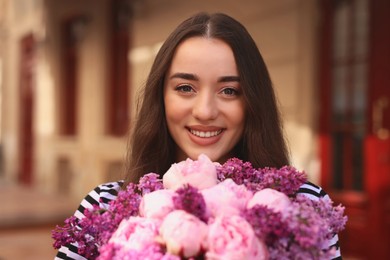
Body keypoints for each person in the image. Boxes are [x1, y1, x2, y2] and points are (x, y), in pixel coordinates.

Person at [55, 12, 342, 259]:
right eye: (185, 88)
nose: (205, 111)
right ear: (161, 97)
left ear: (253, 103)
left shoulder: (304, 207)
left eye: (229, 91)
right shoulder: (104, 206)